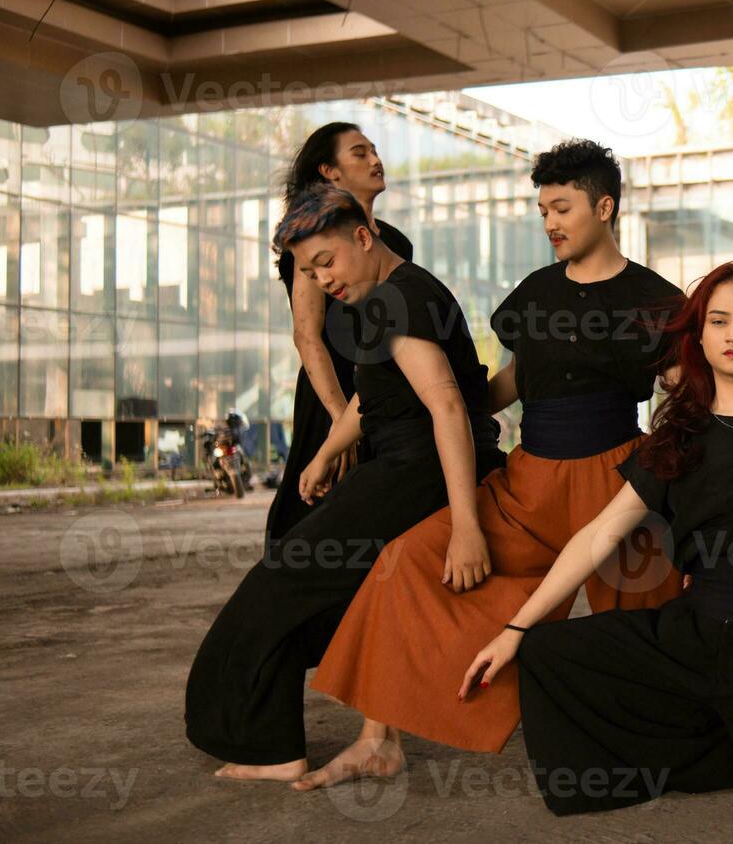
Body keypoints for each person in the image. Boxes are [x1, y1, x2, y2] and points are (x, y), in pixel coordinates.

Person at [458, 260, 733, 822]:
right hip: (694, 637)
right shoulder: (676, 438)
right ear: (698, 334)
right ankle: (732, 745)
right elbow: (599, 535)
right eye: (719, 321)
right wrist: (515, 628)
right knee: (551, 653)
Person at [294, 139, 684, 789]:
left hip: (619, 484)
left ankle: (669, 738)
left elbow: (683, 389)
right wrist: (339, 442)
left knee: (648, 634)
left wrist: (668, 466)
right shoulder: (534, 292)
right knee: (408, 562)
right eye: (543, 211)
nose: (551, 223)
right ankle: (377, 740)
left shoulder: (655, 298)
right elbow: (507, 381)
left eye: (562, 207)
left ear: (605, 207)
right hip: (530, 481)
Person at [184, 185, 504, 782]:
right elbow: (377, 394)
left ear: (363, 237)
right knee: (330, 587)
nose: (322, 279)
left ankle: (270, 749)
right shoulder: (390, 295)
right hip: (402, 462)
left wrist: (467, 526)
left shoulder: (399, 299)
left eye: (325, 262)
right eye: (308, 271)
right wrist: (328, 451)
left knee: (277, 584)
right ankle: (365, 739)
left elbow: (449, 409)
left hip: (417, 471)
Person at [266, 122, 413, 544]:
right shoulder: (314, 240)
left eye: (374, 150)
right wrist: (339, 421)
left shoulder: (397, 242)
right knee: (313, 511)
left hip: (386, 389)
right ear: (330, 171)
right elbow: (306, 336)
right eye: (360, 153)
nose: (375, 159)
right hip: (332, 392)